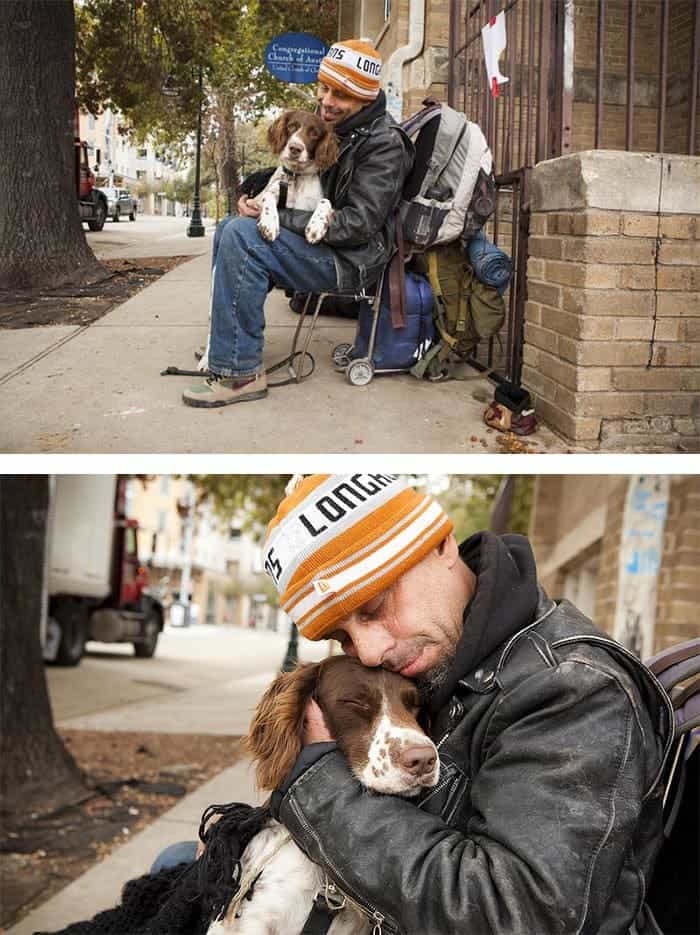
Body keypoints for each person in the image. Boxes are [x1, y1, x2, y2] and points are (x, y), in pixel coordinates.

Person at [258, 473, 673, 935]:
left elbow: (516, 915)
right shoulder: (443, 666)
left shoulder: (572, 688)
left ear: (441, 545)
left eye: (374, 608)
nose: (370, 651)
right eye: (341, 638)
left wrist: (322, 790)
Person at [182, 41, 414, 409]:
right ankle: (224, 344)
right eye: (324, 88)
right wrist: (253, 191)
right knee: (230, 226)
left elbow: (359, 224)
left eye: (341, 94)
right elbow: (300, 173)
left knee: (244, 237)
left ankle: (240, 372)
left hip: (351, 261)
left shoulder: (384, 144)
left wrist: (277, 217)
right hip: (323, 244)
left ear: (365, 99)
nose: (326, 100)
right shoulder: (343, 126)